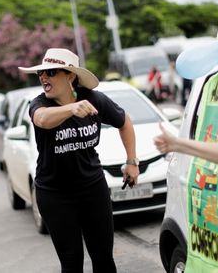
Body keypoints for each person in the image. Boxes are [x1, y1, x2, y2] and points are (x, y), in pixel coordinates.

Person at [18, 48, 140, 273]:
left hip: (92, 189)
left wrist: (132, 161)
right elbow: (42, 120)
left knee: (103, 258)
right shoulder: (39, 104)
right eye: (41, 73)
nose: (44, 77)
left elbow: (125, 121)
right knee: (71, 262)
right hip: (55, 194)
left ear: (70, 76)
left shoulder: (94, 99)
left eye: (51, 72)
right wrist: (71, 108)